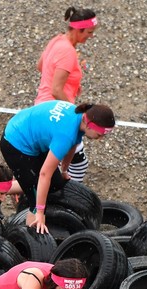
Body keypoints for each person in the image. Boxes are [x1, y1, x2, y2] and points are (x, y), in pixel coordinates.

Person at [0, 101, 115, 233]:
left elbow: (72, 147)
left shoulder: (78, 116)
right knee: (35, 200)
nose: (100, 139)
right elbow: (44, 174)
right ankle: (32, 242)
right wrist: (40, 212)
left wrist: (64, 170)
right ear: (88, 123)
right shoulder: (65, 135)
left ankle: (5, 188)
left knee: (56, 183)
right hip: (15, 143)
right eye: (100, 135)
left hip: (29, 134)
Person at [35, 7, 99, 183]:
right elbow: (56, 90)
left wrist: (70, 82)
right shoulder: (68, 52)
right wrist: (79, 113)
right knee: (78, 164)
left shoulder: (56, 41)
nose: (91, 36)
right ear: (79, 30)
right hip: (57, 111)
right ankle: (67, 199)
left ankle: (53, 196)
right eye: (89, 32)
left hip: (43, 107)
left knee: (54, 163)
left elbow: (41, 66)